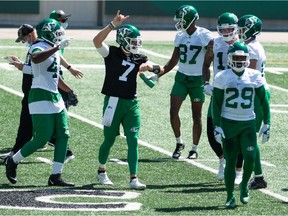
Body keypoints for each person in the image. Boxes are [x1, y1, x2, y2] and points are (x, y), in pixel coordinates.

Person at [5, 18, 75, 186]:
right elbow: (36, 59)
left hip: (55, 96)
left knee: (63, 136)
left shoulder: (52, 49)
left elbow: (55, 76)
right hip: (39, 95)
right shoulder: (38, 46)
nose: (59, 37)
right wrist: (57, 47)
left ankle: (55, 176)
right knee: (41, 139)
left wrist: (69, 91)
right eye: (57, 34)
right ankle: (13, 161)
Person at [93, 10, 153, 190]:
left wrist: (153, 68)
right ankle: (101, 170)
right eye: (133, 41)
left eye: (137, 42)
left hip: (131, 103)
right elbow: (96, 41)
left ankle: (134, 178)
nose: (136, 45)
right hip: (113, 102)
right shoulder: (111, 53)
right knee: (109, 139)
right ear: (123, 40)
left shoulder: (139, 57)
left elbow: (154, 72)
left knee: (133, 139)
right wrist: (112, 25)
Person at [145, 5, 214, 159]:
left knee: (196, 116)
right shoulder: (180, 36)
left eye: (182, 21)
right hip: (181, 78)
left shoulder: (205, 35)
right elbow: (173, 60)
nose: (180, 24)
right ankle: (179, 142)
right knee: (173, 111)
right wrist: (158, 75)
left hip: (197, 80)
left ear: (190, 20)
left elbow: (213, 55)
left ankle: (194, 149)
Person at [212, 41, 270, 208]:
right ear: (230, 58)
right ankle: (230, 195)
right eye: (236, 57)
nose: (239, 60)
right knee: (230, 161)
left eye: (242, 57)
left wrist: (267, 123)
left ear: (247, 58)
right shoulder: (222, 76)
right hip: (228, 124)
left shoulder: (254, 75)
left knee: (250, 157)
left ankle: (244, 185)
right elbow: (215, 103)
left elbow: (263, 102)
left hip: (248, 124)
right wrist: (216, 124)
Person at [202, 12, 243, 182]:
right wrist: (206, 83)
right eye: (222, 30)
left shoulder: (242, 44)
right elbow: (205, 65)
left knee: (237, 132)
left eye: (229, 29)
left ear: (236, 28)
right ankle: (222, 159)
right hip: (218, 91)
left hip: (236, 92)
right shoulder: (215, 43)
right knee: (212, 133)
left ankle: (238, 170)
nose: (226, 33)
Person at [238, 14, 270, 189]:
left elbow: (247, 74)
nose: (239, 32)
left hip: (256, 94)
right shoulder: (253, 45)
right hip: (256, 93)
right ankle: (257, 176)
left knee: (249, 137)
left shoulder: (251, 48)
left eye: (242, 29)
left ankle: (259, 178)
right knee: (247, 137)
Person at [48, 9, 83, 162]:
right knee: (60, 112)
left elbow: (57, 55)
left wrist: (69, 68)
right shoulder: (50, 38)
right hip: (50, 78)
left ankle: (49, 138)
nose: (65, 22)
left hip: (54, 75)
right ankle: (60, 145)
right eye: (62, 20)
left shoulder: (57, 37)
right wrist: (69, 89)